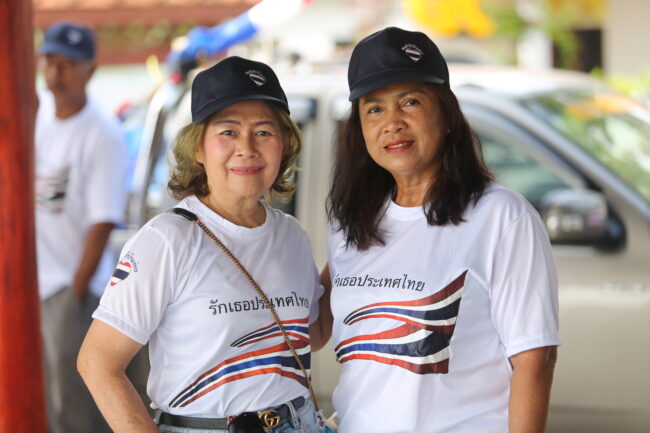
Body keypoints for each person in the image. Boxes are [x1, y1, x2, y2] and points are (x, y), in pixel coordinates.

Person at [322, 27, 560, 433]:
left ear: (448, 115)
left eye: (410, 102)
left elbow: (534, 358)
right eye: (374, 109)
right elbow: (307, 328)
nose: (392, 123)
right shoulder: (349, 224)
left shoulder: (501, 216)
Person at [78, 56, 328, 433]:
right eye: (228, 131)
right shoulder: (168, 239)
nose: (247, 147)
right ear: (198, 148)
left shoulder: (292, 234)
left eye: (264, 131)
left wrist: (355, 253)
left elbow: (311, 335)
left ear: (285, 144)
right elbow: (98, 363)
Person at [35, 21, 127, 433]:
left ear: (90, 70)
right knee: (41, 397)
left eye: (68, 64)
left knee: (74, 407)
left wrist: (75, 294)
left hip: (71, 288)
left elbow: (102, 221)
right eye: (50, 62)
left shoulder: (102, 132)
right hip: (33, 285)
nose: (56, 73)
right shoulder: (38, 114)